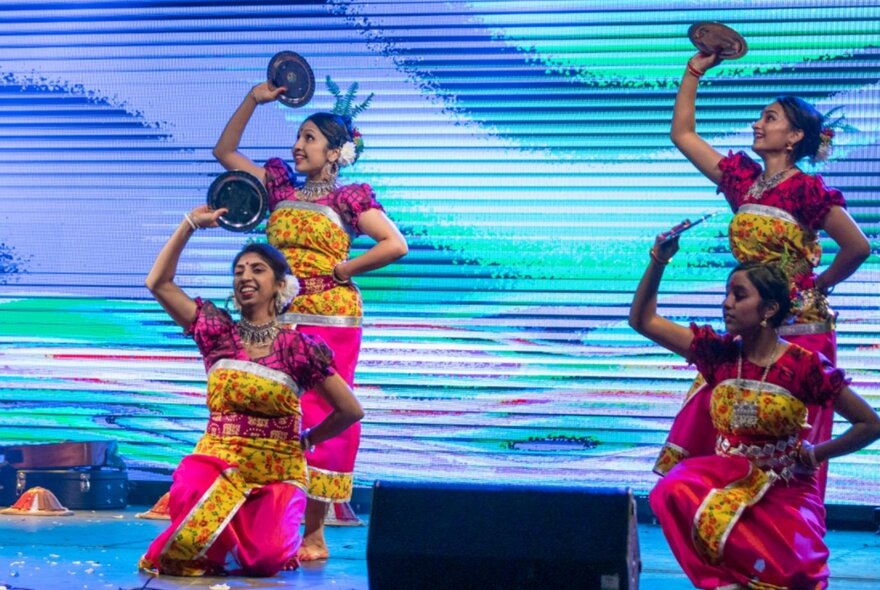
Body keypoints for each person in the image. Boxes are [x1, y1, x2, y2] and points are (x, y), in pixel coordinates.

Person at [655, 51, 871, 490]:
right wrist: (694, 70)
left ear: (793, 137)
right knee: (730, 419)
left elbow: (857, 247)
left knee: (792, 432)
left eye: (769, 118)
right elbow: (682, 134)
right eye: (759, 117)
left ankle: (791, 530)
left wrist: (816, 288)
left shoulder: (808, 192)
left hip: (800, 328)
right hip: (755, 322)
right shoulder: (742, 182)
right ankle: (726, 516)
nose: (758, 124)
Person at [213, 79, 407, 561]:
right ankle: (264, 514)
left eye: (309, 139)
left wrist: (343, 269)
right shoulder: (279, 186)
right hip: (278, 319)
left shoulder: (350, 200)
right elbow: (225, 152)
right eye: (297, 137)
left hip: (331, 319)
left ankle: (315, 531)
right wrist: (254, 101)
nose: (297, 146)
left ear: (336, 152)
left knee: (325, 411)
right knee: (274, 408)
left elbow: (394, 244)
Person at [630, 234, 880, 589]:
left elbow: (870, 424)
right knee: (672, 489)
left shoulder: (802, 366)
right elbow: (643, 321)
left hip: (786, 488)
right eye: (727, 294)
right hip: (727, 479)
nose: (726, 304)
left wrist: (815, 453)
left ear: (769, 310)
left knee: (794, 575)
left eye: (739, 295)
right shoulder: (718, 354)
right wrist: (659, 259)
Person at [139, 205, 364, 576]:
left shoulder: (299, 349)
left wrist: (307, 440)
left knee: (266, 561)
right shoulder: (217, 333)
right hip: (218, 460)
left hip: (277, 469)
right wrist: (189, 225)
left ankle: (237, 542)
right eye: (239, 271)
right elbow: (158, 283)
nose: (245, 276)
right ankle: (216, 539)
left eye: (257, 269)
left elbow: (350, 410)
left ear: (280, 285)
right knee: (189, 532)